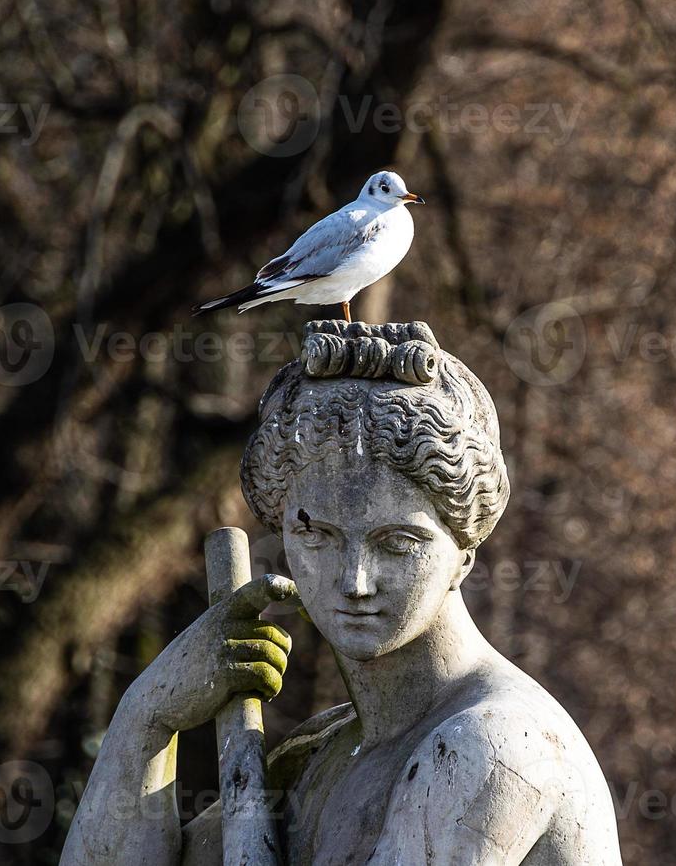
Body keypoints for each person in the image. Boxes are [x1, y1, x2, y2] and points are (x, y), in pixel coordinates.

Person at [61, 326, 622, 865]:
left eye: (398, 543)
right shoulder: (320, 753)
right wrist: (147, 716)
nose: (354, 580)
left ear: (465, 553)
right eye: (317, 536)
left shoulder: (494, 745)